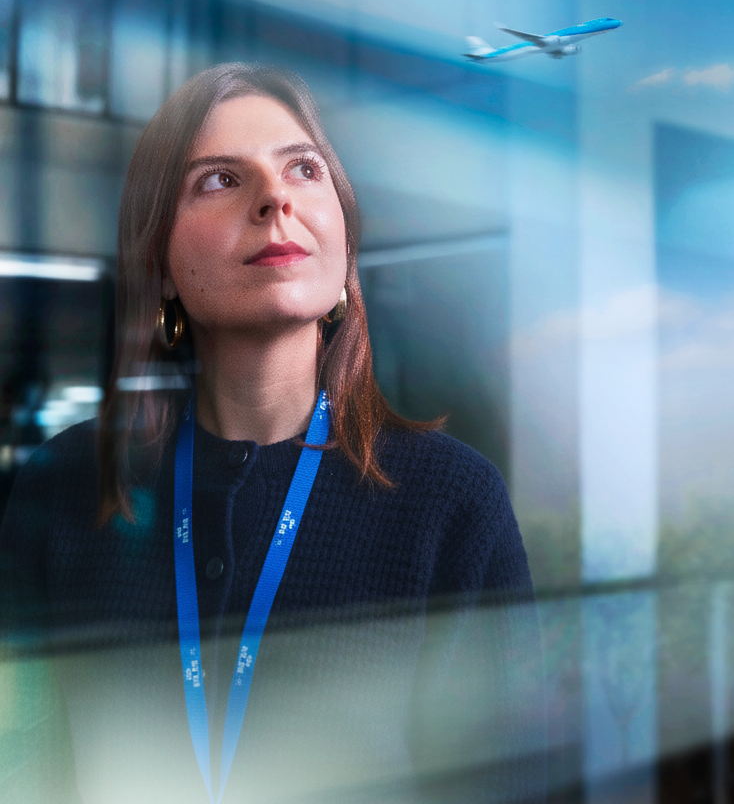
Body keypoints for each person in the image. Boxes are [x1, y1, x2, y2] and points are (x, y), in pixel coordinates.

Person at [0, 63, 544, 804]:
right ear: (161, 265)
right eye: (220, 180)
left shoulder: (449, 500)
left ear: (345, 243)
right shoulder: (64, 489)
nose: (276, 199)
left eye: (304, 169)